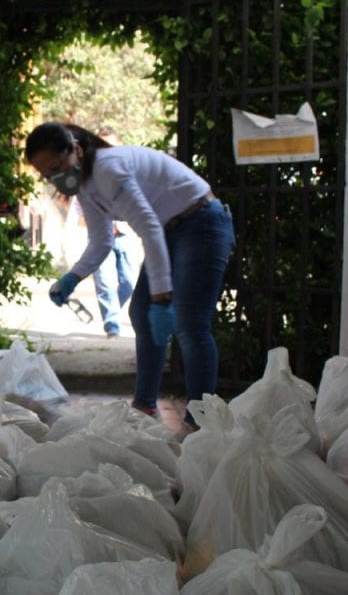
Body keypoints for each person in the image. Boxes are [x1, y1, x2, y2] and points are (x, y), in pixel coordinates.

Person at [26, 122, 235, 430]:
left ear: (76, 150)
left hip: (202, 221)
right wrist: (73, 277)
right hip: (170, 229)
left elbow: (147, 225)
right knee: (141, 313)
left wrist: (162, 297)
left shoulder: (108, 168)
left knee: (190, 325)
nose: (56, 178)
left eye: (57, 167)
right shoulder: (84, 183)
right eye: (47, 174)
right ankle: (145, 407)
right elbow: (101, 240)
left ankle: (200, 423)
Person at [66, 197, 135, 337]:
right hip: (100, 238)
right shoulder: (85, 188)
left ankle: (111, 311)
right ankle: (112, 326)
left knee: (129, 284)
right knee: (105, 282)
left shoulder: (119, 179)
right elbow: (74, 211)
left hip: (124, 235)